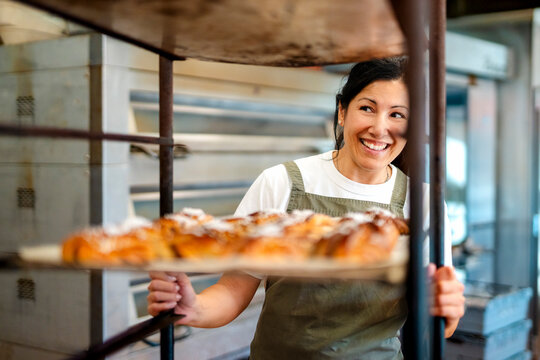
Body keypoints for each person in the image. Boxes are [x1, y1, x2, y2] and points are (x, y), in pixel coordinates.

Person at [147, 57, 465, 359]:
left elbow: (439, 326)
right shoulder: (281, 182)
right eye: (367, 108)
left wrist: (446, 312)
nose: (380, 128)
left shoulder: (422, 203)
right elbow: (233, 289)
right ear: (342, 111)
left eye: (397, 115)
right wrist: (193, 308)